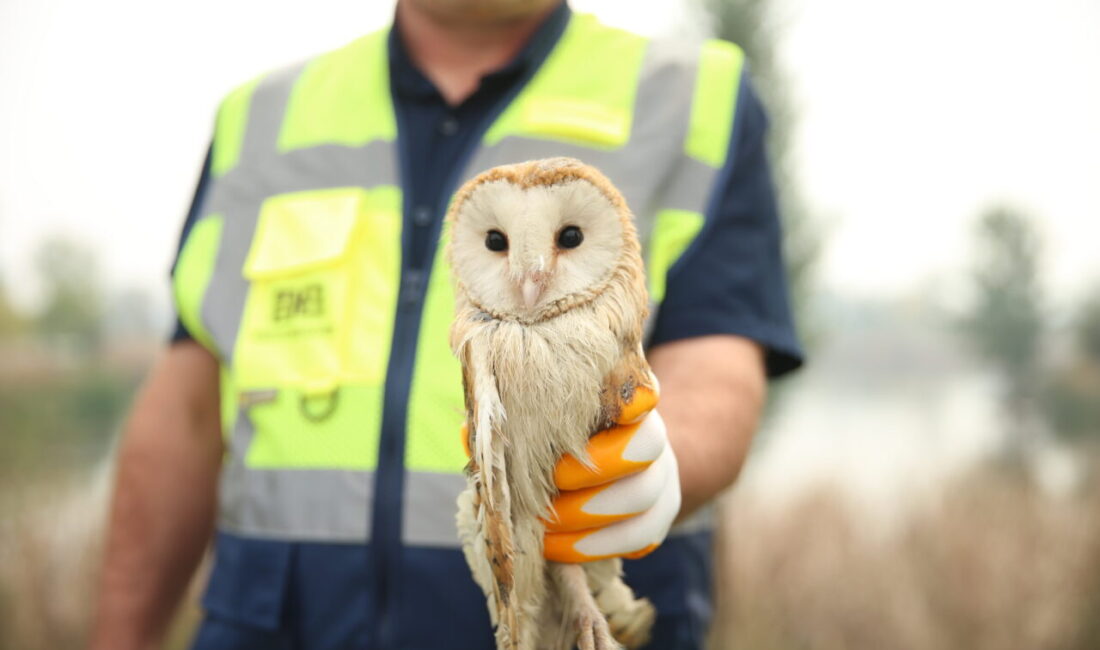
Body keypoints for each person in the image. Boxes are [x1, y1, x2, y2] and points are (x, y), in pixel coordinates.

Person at [91, 1, 803, 648]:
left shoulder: (688, 96)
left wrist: (653, 464)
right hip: (279, 624)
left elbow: (719, 368)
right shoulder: (261, 119)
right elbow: (184, 412)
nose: (528, 275)